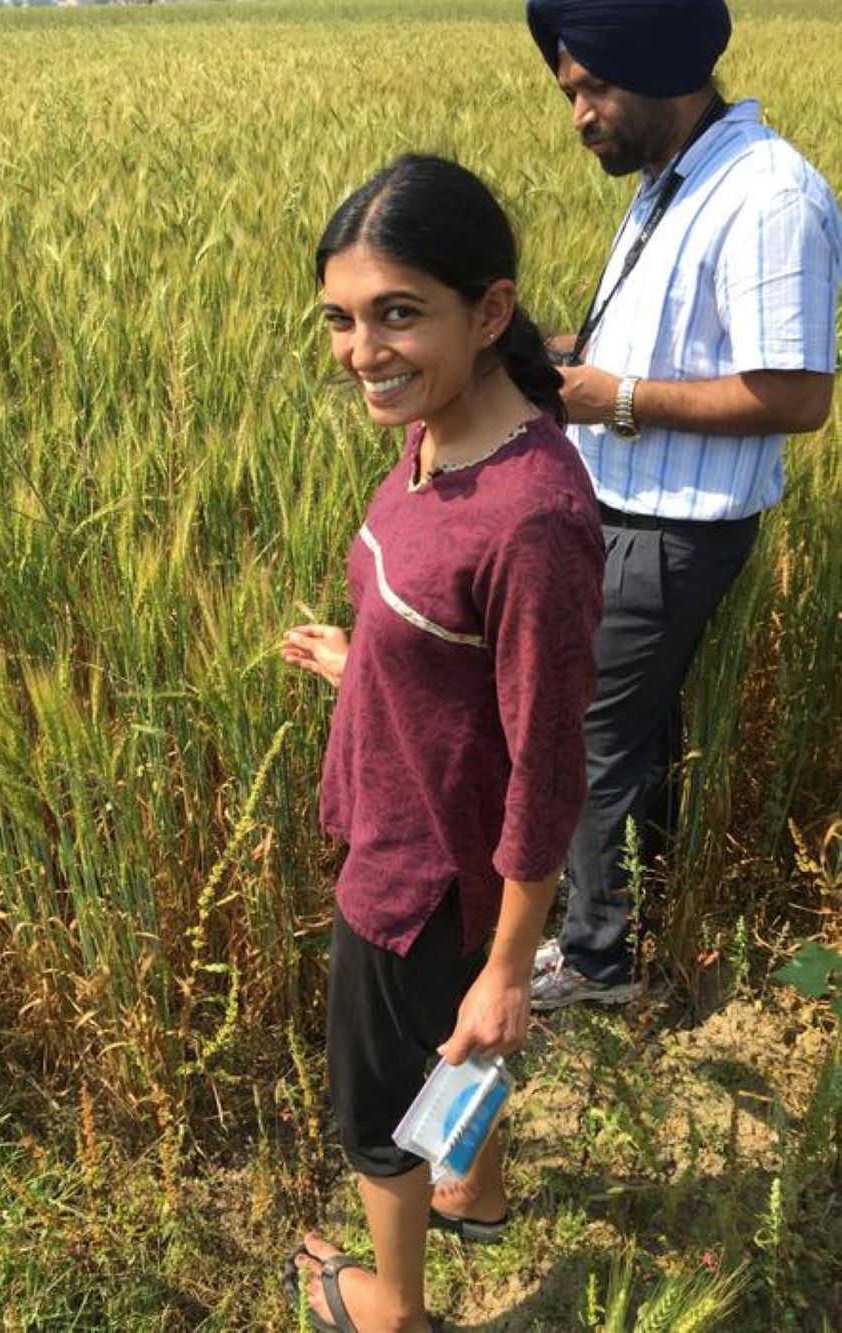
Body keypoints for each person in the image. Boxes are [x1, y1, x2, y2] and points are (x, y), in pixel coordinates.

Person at [279, 154, 603, 1333]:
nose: (363, 349)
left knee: (379, 1100)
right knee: (451, 1038)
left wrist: (513, 963)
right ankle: (480, 1181)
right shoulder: (432, 435)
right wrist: (366, 660)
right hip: (407, 826)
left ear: (492, 311)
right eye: (342, 319)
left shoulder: (534, 519)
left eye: (397, 313)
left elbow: (547, 761)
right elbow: (455, 648)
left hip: (418, 877)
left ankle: (392, 1307)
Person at [525, 0, 842, 1009]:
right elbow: (665, 352)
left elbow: (795, 394)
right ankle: (620, 934)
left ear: (658, 66)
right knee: (627, 734)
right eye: (569, 89)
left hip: (670, 529)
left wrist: (605, 398)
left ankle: (595, 964)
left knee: (588, 736)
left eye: (591, 87)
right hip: (620, 510)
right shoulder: (673, 181)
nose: (577, 113)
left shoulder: (766, 195)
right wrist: (546, 364)